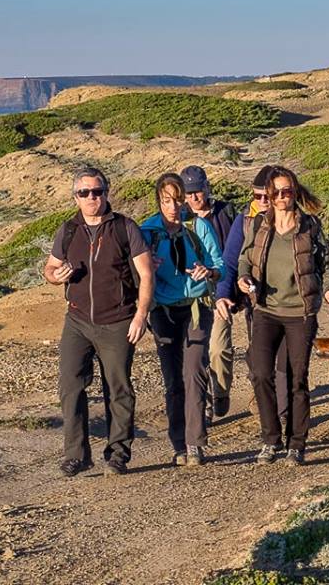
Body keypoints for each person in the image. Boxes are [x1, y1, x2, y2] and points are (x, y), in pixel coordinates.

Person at [44, 167, 154, 477]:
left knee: (118, 388)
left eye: (98, 191)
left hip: (118, 320)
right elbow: (50, 269)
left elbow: (146, 274)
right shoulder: (68, 230)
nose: (92, 197)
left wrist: (141, 315)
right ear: (75, 198)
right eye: (85, 192)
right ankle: (76, 455)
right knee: (70, 386)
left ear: (106, 193)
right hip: (77, 320)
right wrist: (56, 277)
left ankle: (117, 454)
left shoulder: (124, 227)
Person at [238, 166, 329, 466]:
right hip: (265, 310)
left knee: (297, 379)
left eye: (288, 191)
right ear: (269, 195)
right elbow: (244, 258)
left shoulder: (310, 226)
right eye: (277, 192)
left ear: (295, 193)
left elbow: (327, 264)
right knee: (260, 373)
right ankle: (270, 440)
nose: (282, 197)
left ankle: (296, 444)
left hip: (300, 314)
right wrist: (243, 279)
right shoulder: (259, 224)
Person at [141, 173, 225, 467]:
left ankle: (194, 443)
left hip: (196, 308)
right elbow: (132, 268)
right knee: (173, 379)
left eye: (178, 200)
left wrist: (208, 272)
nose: (174, 207)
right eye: (167, 201)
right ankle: (178, 443)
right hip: (163, 311)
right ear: (158, 201)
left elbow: (220, 265)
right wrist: (146, 267)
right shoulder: (147, 232)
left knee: (194, 371)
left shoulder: (198, 226)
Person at [214, 165, 290, 420]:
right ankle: (264, 400)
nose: (262, 201)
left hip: (290, 302)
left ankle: (284, 408)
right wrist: (223, 294)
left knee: (285, 358)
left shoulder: (294, 218)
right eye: (257, 196)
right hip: (256, 301)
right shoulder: (245, 220)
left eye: (267, 196)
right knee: (260, 355)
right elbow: (230, 261)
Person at [180, 165, 236, 421]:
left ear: (207, 188)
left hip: (219, 291)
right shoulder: (178, 218)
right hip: (188, 296)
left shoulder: (227, 214)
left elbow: (234, 255)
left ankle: (221, 393)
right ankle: (202, 404)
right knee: (194, 354)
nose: (193, 197)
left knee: (218, 349)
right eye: (188, 193)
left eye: (197, 191)